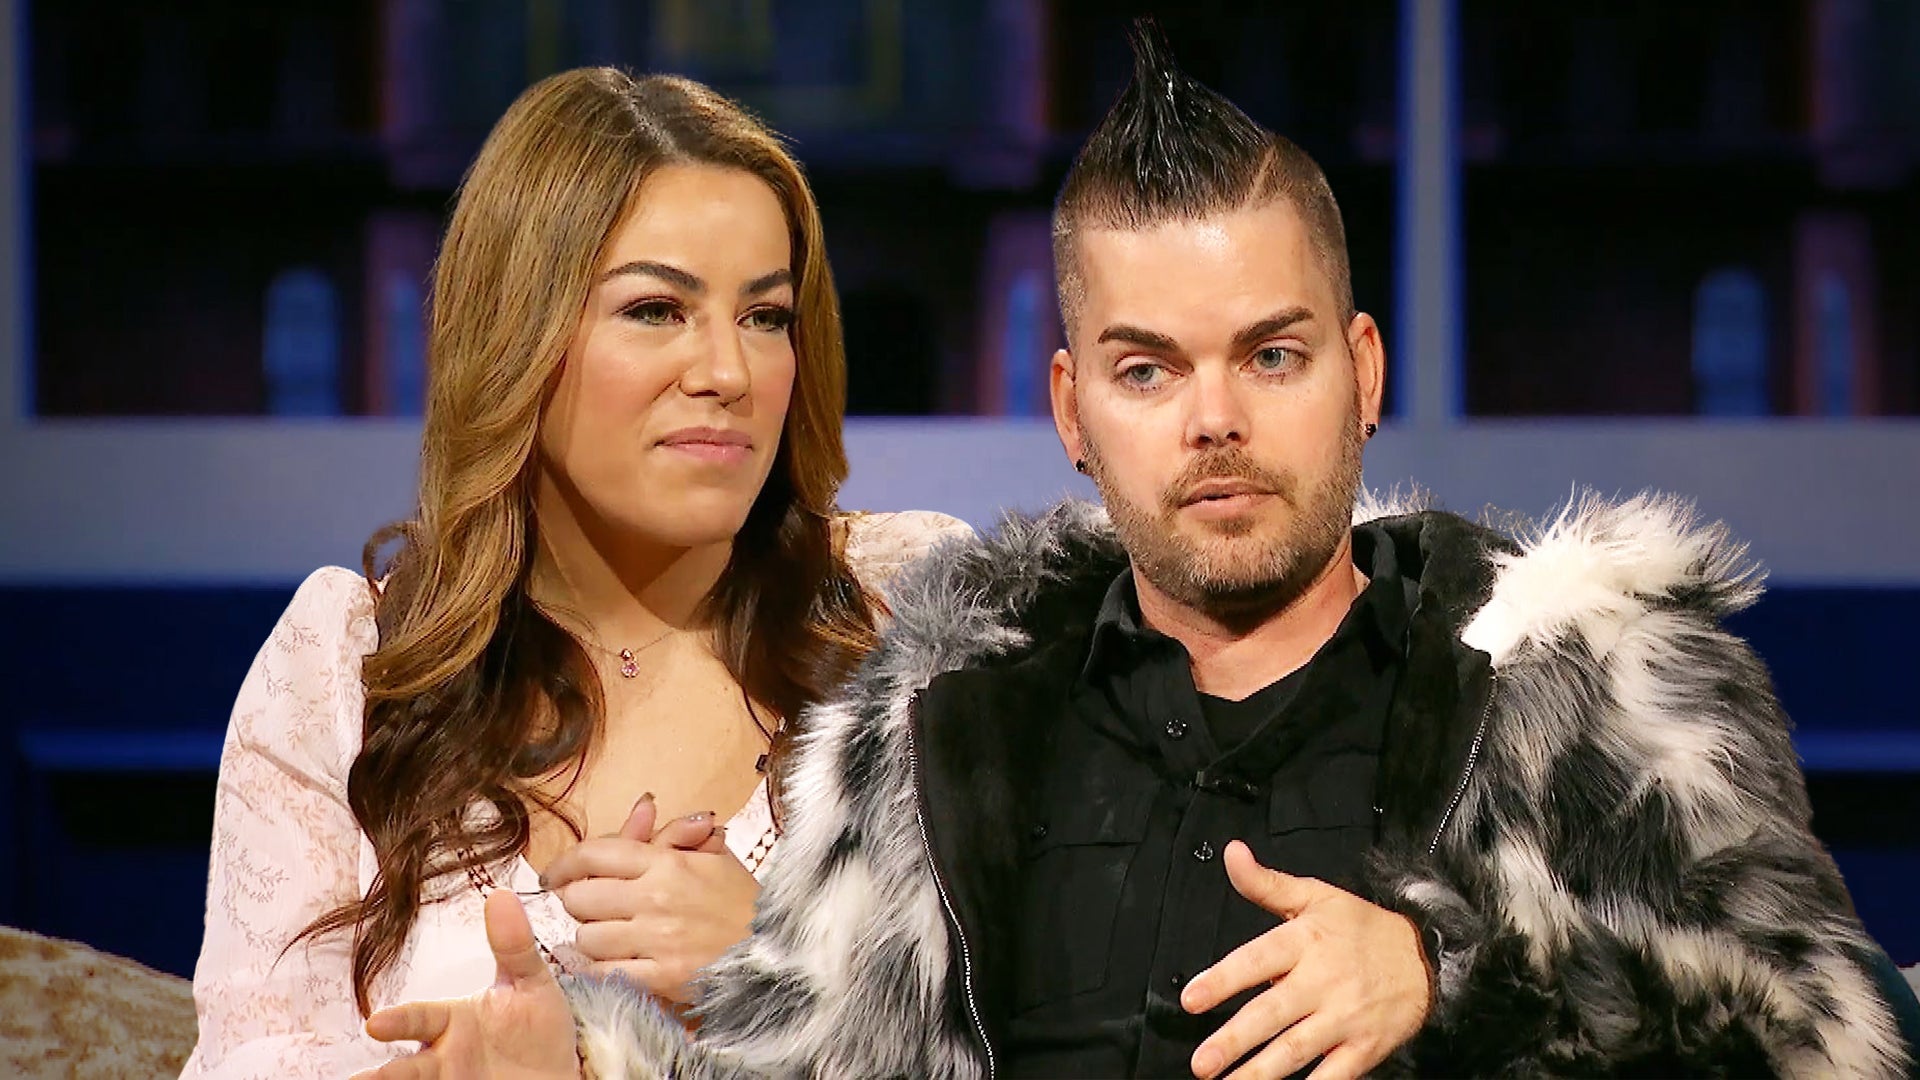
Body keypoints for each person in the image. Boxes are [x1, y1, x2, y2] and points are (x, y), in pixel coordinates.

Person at [356, 27, 1920, 1080]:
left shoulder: (1587, 688)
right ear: (1071, 410)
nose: (1215, 420)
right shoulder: (943, 727)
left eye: (1273, 356)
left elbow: (1837, 1034)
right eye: (1150, 369)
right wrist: (590, 1060)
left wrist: (1451, 985)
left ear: (1364, 372)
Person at [179, 66, 968, 1078]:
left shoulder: (915, 621)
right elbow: (248, 1057)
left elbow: (1060, 1029)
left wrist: (786, 979)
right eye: (657, 310)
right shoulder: (348, 670)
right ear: (518, 337)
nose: (727, 372)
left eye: (766, 317)